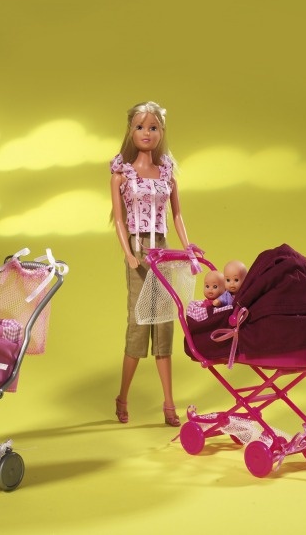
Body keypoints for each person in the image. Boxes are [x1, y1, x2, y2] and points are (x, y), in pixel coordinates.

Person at [110, 101, 190, 427]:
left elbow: (177, 215)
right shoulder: (122, 173)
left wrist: (188, 247)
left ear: (161, 131)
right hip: (138, 250)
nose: (147, 133)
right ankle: (123, 396)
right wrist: (129, 254)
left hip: (163, 251)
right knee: (139, 323)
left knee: (165, 323)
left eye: (153, 127)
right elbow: (118, 219)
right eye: (141, 127)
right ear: (131, 131)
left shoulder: (167, 173)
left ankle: (169, 403)